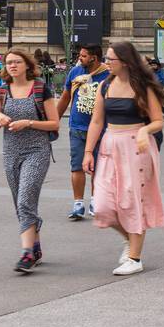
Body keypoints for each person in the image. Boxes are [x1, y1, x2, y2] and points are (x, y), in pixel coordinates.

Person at [83, 41, 164, 276]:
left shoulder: (143, 87)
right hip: (110, 144)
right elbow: (97, 121)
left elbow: (158, 120)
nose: (107, 63)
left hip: (136, 148)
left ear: (126, 62)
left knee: (133, 201)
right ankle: (130, 239)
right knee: (102, 206)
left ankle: (135, 258)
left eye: (111, 60)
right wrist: (89, 152)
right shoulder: (105, 85)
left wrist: (144, 130)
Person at [0, 48, 59, 273]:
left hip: (36, 151)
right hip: (10, 152)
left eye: (17, 62)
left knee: (25, 199)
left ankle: (27, 254)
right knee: (19, 200)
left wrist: (28, 123)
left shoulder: (40, 88)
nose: (12, 66)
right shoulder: (2, 90)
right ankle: (35, 247)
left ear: (27, 65)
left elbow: (54, 123)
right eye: (9, 62)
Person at [55, 44, 109, 220]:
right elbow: (65, 98)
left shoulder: (108, 75)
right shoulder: (75, 73)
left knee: (98, 168)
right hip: (77, 126)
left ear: (94, 57)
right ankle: (78, 203)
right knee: (77, 166)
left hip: (102, 129)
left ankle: (96, 201)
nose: (80, 58)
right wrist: (54, 121)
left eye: (84, 56)